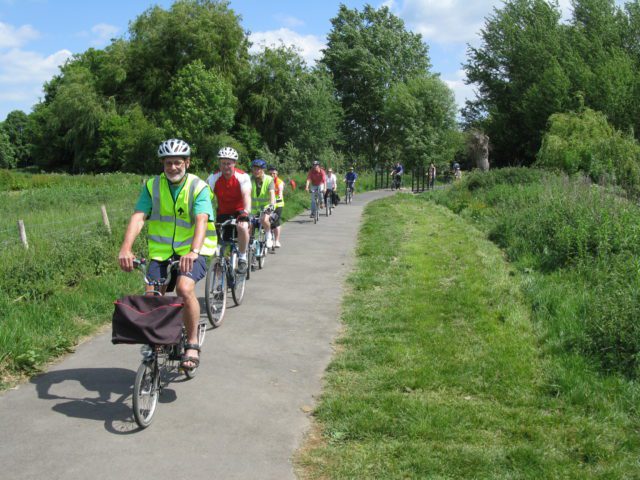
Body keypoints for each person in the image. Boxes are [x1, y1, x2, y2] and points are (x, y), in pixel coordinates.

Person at [118, 138, 216, 371]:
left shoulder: (198, 187)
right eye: (168, 163)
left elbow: (202, 219)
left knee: (184, 289)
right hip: (162, 253)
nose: (173, 167)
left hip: (193, 251)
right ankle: (161, 337)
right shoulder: (152, 186)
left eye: (177, 162)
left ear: (187, 163)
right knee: (152, 293)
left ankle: (191, 344)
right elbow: (139, 216)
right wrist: (125, 248)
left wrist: (193, 251)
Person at [206, 147, 252, 274]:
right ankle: (220, 284)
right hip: (223, 213)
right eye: (223, 163)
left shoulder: (242, 177)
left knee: (242, 227)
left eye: (229, 163)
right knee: (217, 249)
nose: (226, 166)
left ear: (234, 163)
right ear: (219, 164)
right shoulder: (213, 178)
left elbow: (246, 195)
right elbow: (204, 198)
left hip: (240, 211)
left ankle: (242, 257)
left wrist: (246, 212)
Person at [249, 159, 276, 250]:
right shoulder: (249, 179)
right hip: (252, 208)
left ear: (263, 169)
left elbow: (272, 193)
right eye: (254, 169)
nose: (256, 171)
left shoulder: (269, 179)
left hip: (266, 207)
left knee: (264, 220)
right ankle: (250, 243)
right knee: (249, 224)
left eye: (258, 169)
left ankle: (268, 236)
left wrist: (271, 205)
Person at [268, 165, 285, 248]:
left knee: (275, 222)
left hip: (278, 204)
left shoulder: (279, 182)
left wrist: (280, 196)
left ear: (277, 173)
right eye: (270, 173)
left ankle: (277, 240)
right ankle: (268, 239)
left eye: (274, 173)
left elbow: (280, 190)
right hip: (269, 204)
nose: (272, 175)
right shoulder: (266, 181)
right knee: (267, 222)